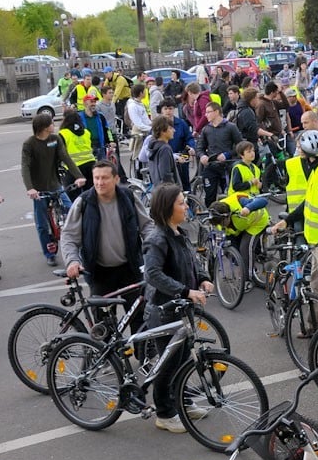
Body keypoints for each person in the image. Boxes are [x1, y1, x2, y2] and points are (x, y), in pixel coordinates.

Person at [142, 183, 215, 433]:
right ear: (167, 208)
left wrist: (203, 277)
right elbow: (152, 273)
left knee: (184, 358)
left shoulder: (178, 233)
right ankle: (164, 412)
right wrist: (185, 291)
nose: (186, 206)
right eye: (181, 203)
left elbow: (191, 263)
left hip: (182, 309)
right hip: (164, 310)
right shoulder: (157, 238)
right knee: (169, 363)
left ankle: (181, 401)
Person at [61, 161, 153, 333]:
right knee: (103, 324)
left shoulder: (129, 197)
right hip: (99, 272)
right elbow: (69, 236)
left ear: (116, 179)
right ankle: (110, 359)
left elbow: (147, 226)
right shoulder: (84, 202)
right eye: (96, 178)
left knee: (139, 317)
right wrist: (72, 261)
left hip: (130, 269)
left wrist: (152, 251)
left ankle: (144, 357)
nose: (99, 182)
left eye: (104, 178)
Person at [270, 130, 318, 317]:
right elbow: (307, 204)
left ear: (306, 152)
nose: (297, 151)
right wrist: (287, 221)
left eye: (299, 147)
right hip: (317, 244)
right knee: (316, 286)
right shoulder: (315, 171)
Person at [21, 113, 87, 265]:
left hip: (56, 184)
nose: (54, 125)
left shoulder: (55, 140)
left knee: (72, 212)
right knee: (42, 224)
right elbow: (25, 167)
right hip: (39, 189)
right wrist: (30, 188)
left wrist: (78, 176)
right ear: (44, 127)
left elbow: (66, 158)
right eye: (51, 123)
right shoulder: (29, 144)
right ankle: (49, 252)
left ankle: (80, 246)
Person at [197, 102, 243, 206]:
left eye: (208, 112)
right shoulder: (206, 129)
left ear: (217, 112)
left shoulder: (231, 127)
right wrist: (202, 156)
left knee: (229, 195)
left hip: (228, 165)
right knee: (209, 195)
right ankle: (211, 215)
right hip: (212, 166)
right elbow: (200, 147)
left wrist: (227, 154)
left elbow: (240, 145)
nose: (206, 115)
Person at [58, 110, 96, 189]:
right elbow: (91, 146)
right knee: (90, 193)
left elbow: (60, 152)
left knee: (73, 196)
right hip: (90, 164)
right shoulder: (86, 132)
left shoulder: (63, 133)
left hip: (73, 168)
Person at [147, 116, 179, 185]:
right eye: (170, 128)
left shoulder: (153, 146)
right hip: (168, 192)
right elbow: (166, 175)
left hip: (158, 189)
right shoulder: (165, 149)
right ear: (163, 131)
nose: (174, 130)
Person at [126, 83, 151, 169]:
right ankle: (138, 174)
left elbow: (146, 119)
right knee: (138, 156)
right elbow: (138, 124)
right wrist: (150, 128)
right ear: (140, 93)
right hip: (139, 133)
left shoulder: (140, 104)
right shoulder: (132, 106)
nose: (145, 93)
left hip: (146, 132)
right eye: (144, 91)